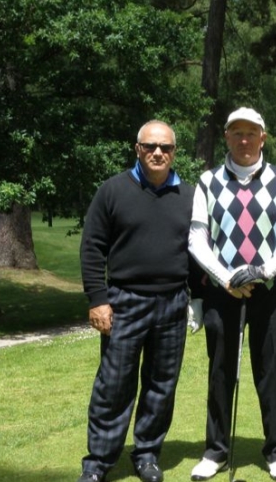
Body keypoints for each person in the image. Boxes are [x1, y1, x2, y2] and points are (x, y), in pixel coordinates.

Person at [188, 107, 276, 481]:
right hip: (224, 292)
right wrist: (226, 277)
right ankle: (216, 450)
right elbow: (197, 239)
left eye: (251, 133)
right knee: (221, 370)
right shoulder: (208, 181)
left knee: (270, 372)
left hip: (270, 292)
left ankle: (275, 452)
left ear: (263, 137)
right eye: (236, 133)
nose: (244, 140)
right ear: (226, 137)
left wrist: (263, 271)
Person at [78, 120, 198, 482]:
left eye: (165, 147)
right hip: (124, 301)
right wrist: (98, 299)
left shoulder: (190, 196)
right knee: (114, 385)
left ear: (175, 152)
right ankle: (98, 462)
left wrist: (200, 299)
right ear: (137, 149)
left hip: (173, 302)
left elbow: (198, 252)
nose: (158, 153)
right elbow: (92, 247)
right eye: (150, 146)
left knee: (162, 385)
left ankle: (147, 454)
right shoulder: (113, 191)